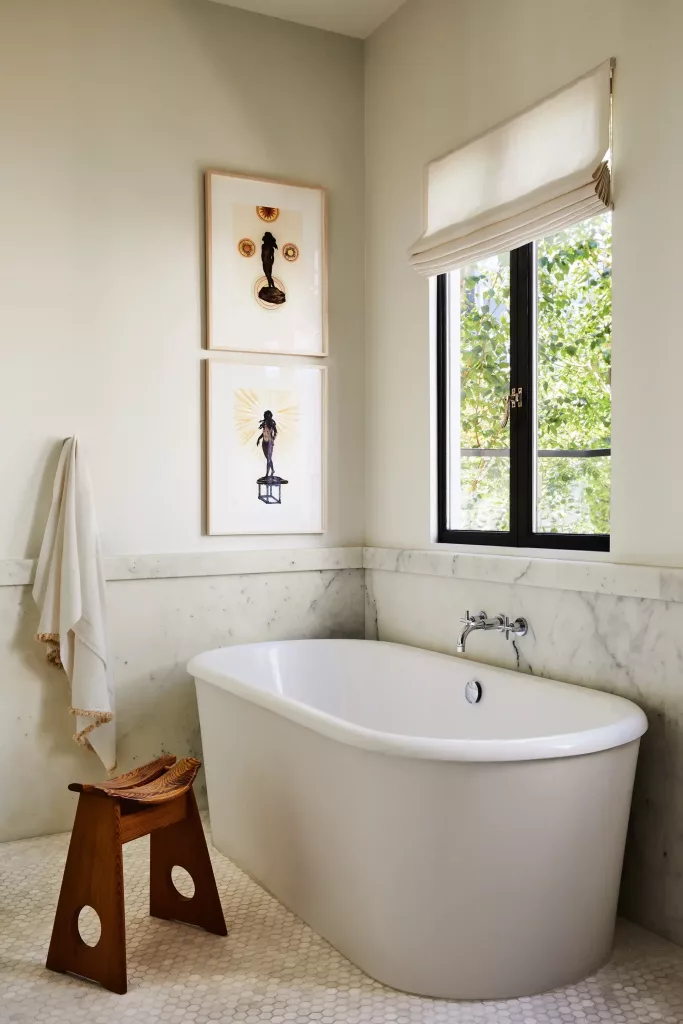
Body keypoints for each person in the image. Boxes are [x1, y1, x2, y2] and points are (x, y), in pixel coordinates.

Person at [256, 410, 277, 478]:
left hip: (269, 443)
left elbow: (276, 431)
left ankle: (267, 474)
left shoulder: (271, 423)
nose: (265, 417)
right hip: (264, 443)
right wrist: (259, 439)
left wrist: (273, 438)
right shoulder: (264, 424)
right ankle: (273, 470)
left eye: (266, 415)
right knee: (268, 458)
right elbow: (263, 433)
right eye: (265, 416)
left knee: (268, 459)